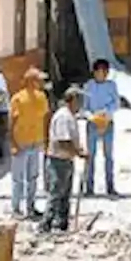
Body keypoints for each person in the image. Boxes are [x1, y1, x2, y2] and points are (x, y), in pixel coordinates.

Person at [43, 87, 87, 233]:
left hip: (66, 159)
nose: (81, 104)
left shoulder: (70, 115)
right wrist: (78, 153)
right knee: (56, 194)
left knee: (64, 195)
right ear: (72, 100)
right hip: (58, 160)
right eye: (79, 100)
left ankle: (62, 224)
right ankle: (46, 224)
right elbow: (63, 141)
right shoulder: (63, 116)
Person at [8, 67, 50, 217]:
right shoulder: (18, 99)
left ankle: (31, 207)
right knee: (18, 178)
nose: (41, 83)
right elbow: (12, 123)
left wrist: (45, 140)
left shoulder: (42, 97)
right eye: (39, 80)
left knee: (33, 177)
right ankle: (16, 208)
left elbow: (45, 119)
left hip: (35, 142)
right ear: (31, 81)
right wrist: (12, 143)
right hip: (21, 143)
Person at [82, 59, 120, 197]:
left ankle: (110, 186)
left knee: (108, 156)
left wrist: (106, 114)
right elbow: (84, 107)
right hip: (92, 123)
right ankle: (89, 187)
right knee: (91, 156)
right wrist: (92, 117)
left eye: (105, 72)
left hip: (108, 122)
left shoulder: (112, 86)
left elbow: (116, 103)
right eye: (99, 71)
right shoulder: (89, 86)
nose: (102, 74)